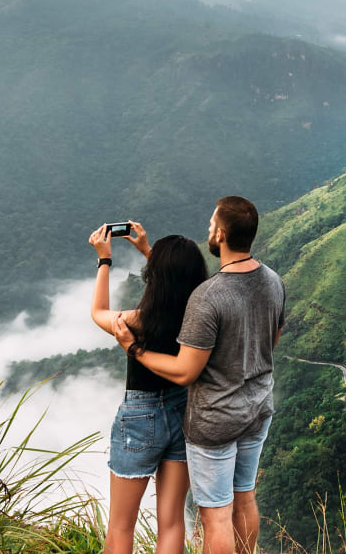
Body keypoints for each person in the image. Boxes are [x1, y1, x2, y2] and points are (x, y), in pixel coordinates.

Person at [117, 197, 283, 554]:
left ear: (221, 235)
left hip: (216, 420)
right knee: (245, 499)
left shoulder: (208, 297)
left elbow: (184, 371)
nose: (208, 230)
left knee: (216, 516)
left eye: (211, 225)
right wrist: (150, 251)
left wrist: (135, 349)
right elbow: (272, 340)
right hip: (257, 409)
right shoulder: (273, 281)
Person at [89, 222, 209, 554]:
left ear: (154, 275)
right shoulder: (201, 315)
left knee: (120, 526)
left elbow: (98, 312)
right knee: (172, 522)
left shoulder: (138, 321)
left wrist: (104, 261)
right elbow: (179, 276)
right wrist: (147, 249)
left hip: (140, 418)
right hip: (183, 410)